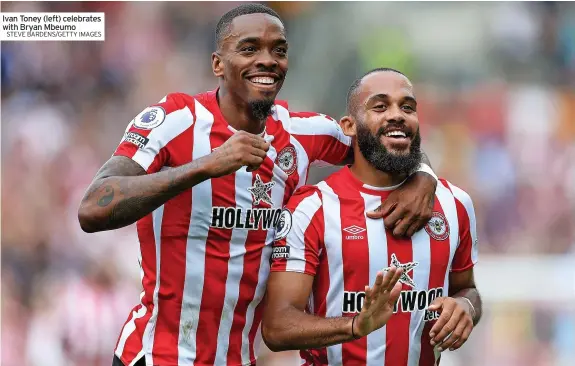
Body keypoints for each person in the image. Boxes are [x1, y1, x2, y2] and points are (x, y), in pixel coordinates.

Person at [77, 4, 439, 366]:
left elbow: (386, 141)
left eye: (278, 50)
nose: (267, 60)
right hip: (158, 356)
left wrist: (424, 175)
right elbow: (93, 208)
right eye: (249, 49)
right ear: (218, 64)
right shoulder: (175, 121)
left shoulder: (301, 133)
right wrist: (205, 166)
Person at [262, 68, 482, 365]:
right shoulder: (313, 209)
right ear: (349, 125)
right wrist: (354, 326)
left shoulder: (455, 204)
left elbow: (466, 288)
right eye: (380, 106)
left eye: (407, 107)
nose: (397, 115)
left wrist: (466, 306)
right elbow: (277, 327)